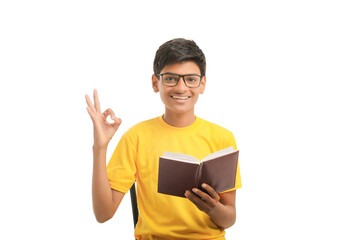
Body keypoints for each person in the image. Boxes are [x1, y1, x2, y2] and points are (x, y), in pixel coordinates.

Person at [85, 38, 242, 240]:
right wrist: (100, 147)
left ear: (202, 84)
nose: (181, 88)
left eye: (191, 79)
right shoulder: (136, 137)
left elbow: (229, 219)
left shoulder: (222, 138)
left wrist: (212, 208)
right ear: (155, 83)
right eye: (170, 78)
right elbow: (103, 214)